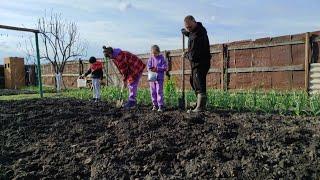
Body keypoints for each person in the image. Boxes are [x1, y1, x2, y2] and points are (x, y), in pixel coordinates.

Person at [181, 15, 211, 113]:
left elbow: (193, 55)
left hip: (200, 62)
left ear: (194, 22)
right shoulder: (196, 30)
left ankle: (200, 107)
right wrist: (185, 32)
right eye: (187, 27)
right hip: (197, 63)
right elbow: (190, 33)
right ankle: (199, 103)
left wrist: (185, 55)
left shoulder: (197, 35)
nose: (188, 29)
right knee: (193, 81)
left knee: (199, 83)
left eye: (190, 27)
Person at [147, 45, 168, 112]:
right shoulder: (151, 58)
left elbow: (165, 67)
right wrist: (150, 68)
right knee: (152, 91)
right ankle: (154, 105)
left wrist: (157, 69)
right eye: (153, 53)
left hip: (159, 78)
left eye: (155, 53)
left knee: (159, 91)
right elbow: (148, 66)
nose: (154, 54)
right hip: (152, 77)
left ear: (158, 52)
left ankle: (160, 105)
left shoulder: (162, 58)